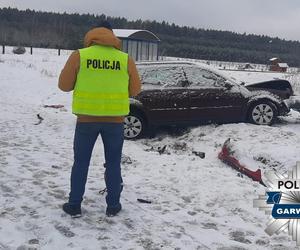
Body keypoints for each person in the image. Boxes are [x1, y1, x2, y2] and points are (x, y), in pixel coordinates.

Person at [58, 21, 141, 218]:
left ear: (91, 36)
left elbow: (64, 85)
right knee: (113, 163)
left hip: (86, 121)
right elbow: (136, 89)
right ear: (113, 37)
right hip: (115, 122)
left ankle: (74, 205)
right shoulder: (125, 59)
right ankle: (113, 206)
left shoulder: (80, 55)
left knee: (81, 163)